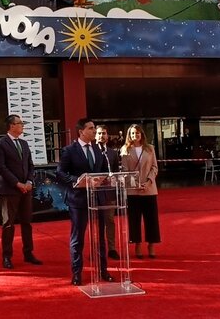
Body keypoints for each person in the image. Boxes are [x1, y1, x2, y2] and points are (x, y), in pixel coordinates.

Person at [56, 117, 114, 286]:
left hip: (97, 198)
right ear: (81, 131)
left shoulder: (98, 149)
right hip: (78, 200)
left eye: (94, 128)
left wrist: (104, 179)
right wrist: (79, 180)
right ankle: (77, 273)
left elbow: (104, 172)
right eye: (90, 128)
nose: (94, 131)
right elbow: (60, 173)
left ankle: (103, 271)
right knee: (78, 238)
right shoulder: (69, 150)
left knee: (100, 238)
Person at [0, 114, 43, 269]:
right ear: (11, 126)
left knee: (27, 222)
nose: (22, 125)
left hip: (26, 189)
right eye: (19, 123)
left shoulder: (24, 143)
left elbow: (30, 165)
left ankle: (28, 253)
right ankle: (7, 256)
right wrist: (17, 183)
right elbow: (1, 167)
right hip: (10, 189)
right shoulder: (1, 143)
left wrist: (28, 182)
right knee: (8, 224)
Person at [120, 124, 161, 259]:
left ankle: (151, 244)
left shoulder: (150, 149)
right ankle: (137, 243)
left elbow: (154, 167)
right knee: (134, 219)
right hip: (133, 190)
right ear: (129, 135)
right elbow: (125, 170)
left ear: (141, 134)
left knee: (151, 219)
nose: (135, 136)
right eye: (132, 133)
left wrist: (148, 182)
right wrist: (135, 184)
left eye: (137, 133)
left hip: (149, 189)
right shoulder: (125, 150)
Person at [95, 124, 121, 260]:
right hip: (95, 191)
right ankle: (98, 249)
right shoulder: (92, 151)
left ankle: (111, 248)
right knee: (97, 221)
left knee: (110, 220)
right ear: (95, 135)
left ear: (107, 135)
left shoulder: (112, 153)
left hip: (110, 192)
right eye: (99, 133)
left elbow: (116, 171)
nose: (101, 136)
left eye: (104, 133)